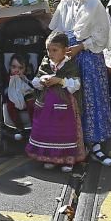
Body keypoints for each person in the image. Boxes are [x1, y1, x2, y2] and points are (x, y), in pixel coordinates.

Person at [49, 0, 111, 161]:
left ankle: (95, 142)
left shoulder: (94, 3)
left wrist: (82, 46)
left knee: (90, 98)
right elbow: (57, 30)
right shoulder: (66, 3)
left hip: (88, 57)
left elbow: (101, 33)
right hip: (68, 57)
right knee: (71, 99)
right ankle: (73, 143)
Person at [26, 31, 87, 171]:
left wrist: (59, 80)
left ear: (65, 50)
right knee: (48, 130)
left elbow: (76, 84)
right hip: (46, 104)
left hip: (65, 105)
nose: (51, 53)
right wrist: (41, 80)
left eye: (54, 50)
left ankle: (67, 159)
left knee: (65, 131)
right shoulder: (46, 62)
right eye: (48, 50)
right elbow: (35, 80)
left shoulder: (69, 64)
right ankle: (51, 157)